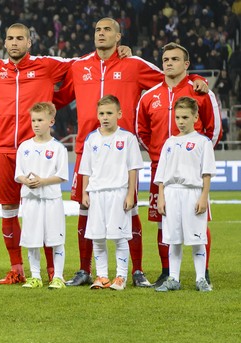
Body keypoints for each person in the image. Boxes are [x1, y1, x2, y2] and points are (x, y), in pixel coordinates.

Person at [54, 18, 209, 288]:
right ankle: (84, 270)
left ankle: (136, 270)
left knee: (129, 207)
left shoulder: (134, 65)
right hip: (87, 147)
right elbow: (60, 95)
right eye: (97, 29)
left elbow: (170, 75)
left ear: (119, 37)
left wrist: (197, 79)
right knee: (85, 207)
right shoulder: (79, 67)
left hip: (122, 152)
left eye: (107, 30)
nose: (101, 34)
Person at [0, 23, 74, 285]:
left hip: (37, 148)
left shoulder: (47, 65)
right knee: (8, 209)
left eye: (20, 38)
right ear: (4, 43)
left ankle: (53, 272)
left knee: (42, 210)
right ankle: (17, 269)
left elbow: (81, 63)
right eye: (10, 38)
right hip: (5, 147)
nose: (15, 42)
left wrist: (116, 50)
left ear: (29, 42)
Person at [136, 42, 222, 289]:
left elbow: (213, 130)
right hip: (161, 171)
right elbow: (141, 130)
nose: (169, 63)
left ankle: (202, 273)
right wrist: (158, 154)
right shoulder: (149, 96)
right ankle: (167, 273)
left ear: (186, 64)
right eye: (165, 60)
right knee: (164, 222)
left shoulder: (201, 92)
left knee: (199, 220)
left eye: (175, 59)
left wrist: (197, 157)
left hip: (192, 174)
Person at [78, 95, 146, 290]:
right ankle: (102, 276)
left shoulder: (127, 138)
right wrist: (84, 193)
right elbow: (86, 170)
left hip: (118, 192)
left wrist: (130, 194)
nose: (105, 117)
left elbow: (133, 168)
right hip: (97, 193)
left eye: (109, 113)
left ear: (119, 114)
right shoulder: (92, 138)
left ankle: (121, 277)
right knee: (97, 237)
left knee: (119, 236)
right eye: (101, 113)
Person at [153, 97, 216, 292]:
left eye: (185, 117)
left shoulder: (202, 142)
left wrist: (204, 196)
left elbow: (206, 173)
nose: (180, 121)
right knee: (173, 239)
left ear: (195, 117)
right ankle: (173, 278)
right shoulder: (169, 142)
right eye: (178, 117)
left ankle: (200, 279)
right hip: (171, 194)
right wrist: (161, 197)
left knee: (197, 239)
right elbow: (162, 175)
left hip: (193, 193)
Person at [14, 102, 69, 289]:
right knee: (32, 239)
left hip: (52, 200)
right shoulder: (24, 147)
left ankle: (58, 277)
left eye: (40, 120)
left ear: (51, 121)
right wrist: (26, 180)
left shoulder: (58, 148)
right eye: (33, 120)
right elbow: (18, 173)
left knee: (56, 239)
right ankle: (35, 277)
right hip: (30, 200)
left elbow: (62, 175)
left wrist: (42, 181)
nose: (36, 124)